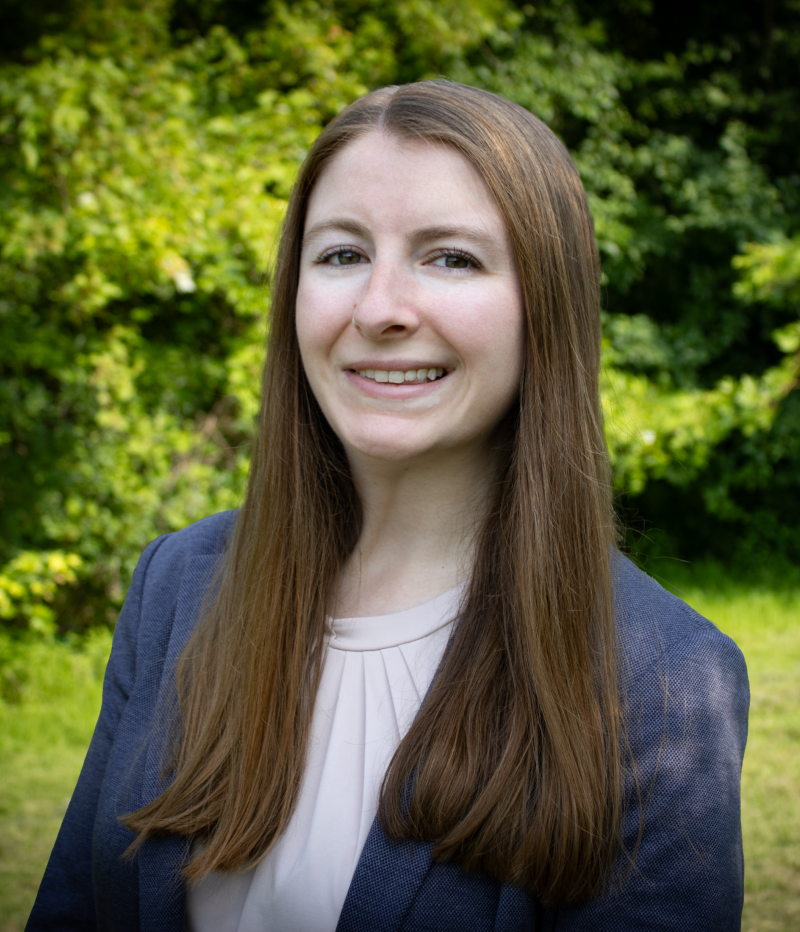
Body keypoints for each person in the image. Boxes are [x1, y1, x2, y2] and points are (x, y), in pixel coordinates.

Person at [27, 80, 748, 932]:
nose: (378, 310)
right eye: (341, 255)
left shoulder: (662, 682)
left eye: (451, 258)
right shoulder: (178, 585)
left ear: (546, 305)